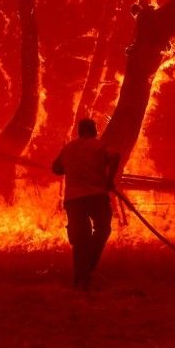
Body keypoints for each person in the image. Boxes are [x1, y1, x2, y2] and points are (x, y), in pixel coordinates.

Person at [52, 118, 121, 290]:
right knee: (103, 230)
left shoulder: (68, 148)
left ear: (79, 131)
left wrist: (71, 167)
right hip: (96, 196)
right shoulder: (98, 146)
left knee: (80, 240)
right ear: (94, 130)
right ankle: (88, 268)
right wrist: (109, 179)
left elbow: (56, 168)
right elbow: (115, 156)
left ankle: (80, 278)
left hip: (74, 200)